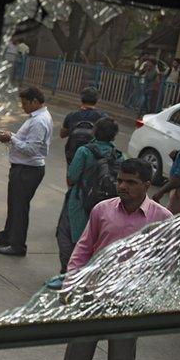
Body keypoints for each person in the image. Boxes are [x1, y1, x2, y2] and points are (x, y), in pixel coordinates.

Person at [59, 158, 173, 360]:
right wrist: (70, 282)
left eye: (131, 182)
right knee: (78, 352)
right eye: (120, 180)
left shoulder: (163, 219)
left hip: (130, 301)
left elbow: (166, 264)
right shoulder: (102, 210)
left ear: (146, 185)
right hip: (93, 295)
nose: (122, 186)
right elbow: (83, 249)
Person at [0, 86, 53, 256]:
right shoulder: (35, 117)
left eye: (25, 104)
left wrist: (11, 138)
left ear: (35, 102)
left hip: (28, 170)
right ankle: (8, 235)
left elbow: (31, 149)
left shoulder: (39, 121)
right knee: (14, 205)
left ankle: (18, 245)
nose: (23, 107)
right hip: (22, 168)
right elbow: (27, 142)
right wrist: (12, 136)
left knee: (20, 207)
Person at [56, 117, 122, 274]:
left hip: (79, 201)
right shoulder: (118, 155)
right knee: (93, 239)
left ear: (95, 131)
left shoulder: (84, 151)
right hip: (105, 204)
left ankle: (68, 273)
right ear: (113, 136)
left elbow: (71, 177)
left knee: (68, 235)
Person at [60, 86, 107, 165]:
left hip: (73, 156)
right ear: (97, 100)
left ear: (81, 98)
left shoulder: (72, 115)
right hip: (94, 157)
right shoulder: (103, 117)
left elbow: (62, 134)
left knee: (72, 175)